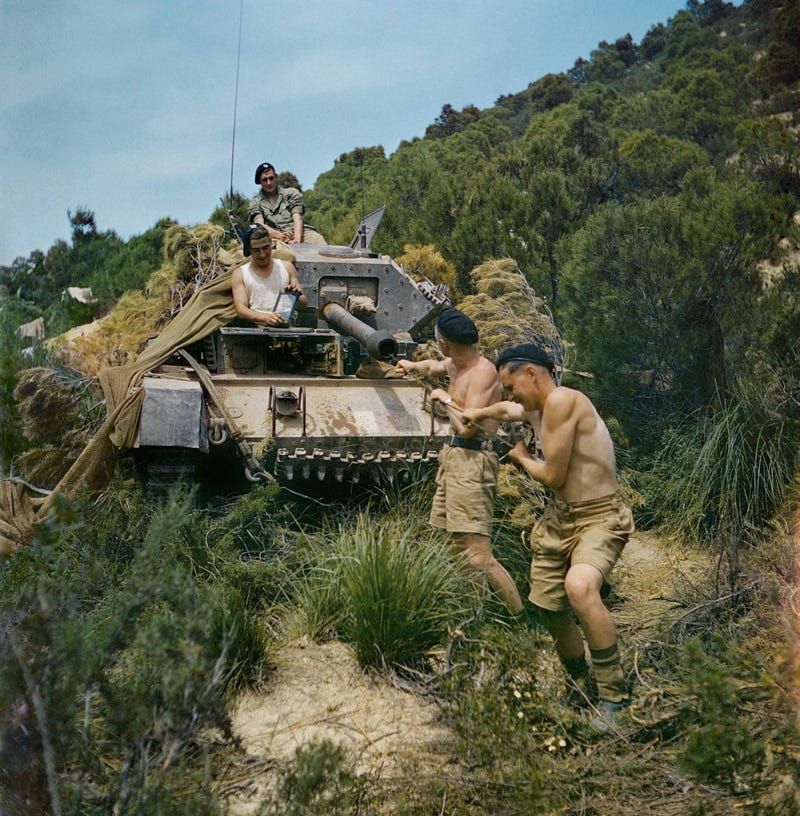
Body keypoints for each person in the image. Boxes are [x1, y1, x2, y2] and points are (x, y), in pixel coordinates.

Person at [461, 343, 635, 730]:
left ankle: (615, 697)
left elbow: (553, 476)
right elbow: (512, 411)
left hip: (599, 518)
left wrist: (520, 456)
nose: (509, 396)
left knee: (579, 588)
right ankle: (579, 685)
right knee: (549, 607)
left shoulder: (562, 402)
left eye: (510, 386)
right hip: (560, 519)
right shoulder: (539, 407)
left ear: (532, 375)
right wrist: (482, 410)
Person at [393, 307, 524, 616]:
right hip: (453, 458)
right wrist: (412, 364)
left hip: (473, 458)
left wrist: (445, 399)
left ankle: (520, 620)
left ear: (443, 340)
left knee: (478, 554)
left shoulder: (483, 372)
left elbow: (469, 426)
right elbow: (434, 366)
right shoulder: (455, 363)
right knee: (452, 546)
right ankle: (474, 616)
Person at [231, 225, 307, 325]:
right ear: (249, 250)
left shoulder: (287, 268)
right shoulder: (240, 274)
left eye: (266, 248)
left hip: (287, 328)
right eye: (256, 250)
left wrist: (295, 296)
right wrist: (265, 317)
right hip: (255, 330)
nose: (262, 254)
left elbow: (304, 304)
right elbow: (241, 309)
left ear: (271, 244)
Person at [248, 162, 327, 245]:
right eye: (264, 180)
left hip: (299, 231)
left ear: (276, 177)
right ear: (260, 182)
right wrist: (279, 236)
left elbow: (297, 216)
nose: (269, 183)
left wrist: (297, 239)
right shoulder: (255, 202)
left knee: (318, 240)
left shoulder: (291, 193)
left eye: (271, 178)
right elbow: (259, 224)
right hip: (273, 236)